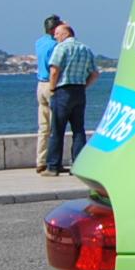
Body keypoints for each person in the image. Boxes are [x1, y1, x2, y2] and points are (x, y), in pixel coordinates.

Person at [41, 20, 101, 176]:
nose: (55, 37)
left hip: (63, 91)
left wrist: (52, 88)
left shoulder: (61, 48)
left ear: (65, 34)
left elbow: (54, 71)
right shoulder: (85, 49)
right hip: (79, 91)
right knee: (78, 130)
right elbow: (95, 74)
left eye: (57, 34)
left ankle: (53, 166)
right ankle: (78, 165)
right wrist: (84, 86)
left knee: (57, 130)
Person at [32, 13, 62, 157]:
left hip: (40, 85)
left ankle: (41, 159)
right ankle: (53, 159)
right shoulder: (56, 45)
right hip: (51, 84)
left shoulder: (38, 42)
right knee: (55, 125)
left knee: (43, 127)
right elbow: (55, 68)